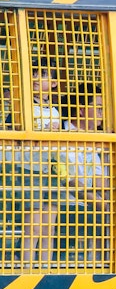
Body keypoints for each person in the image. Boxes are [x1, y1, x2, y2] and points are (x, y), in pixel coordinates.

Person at [19, 60, 68, 266]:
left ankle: (46, 269)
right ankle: (27, 268)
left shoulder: (55, 110)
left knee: (50, 225)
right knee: (34, 225)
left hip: (50, 169)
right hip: (30, 169)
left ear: (55, 83)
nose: (37, 78)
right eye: (35, 72)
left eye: (44, 74)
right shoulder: (25, 105)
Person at [60, 85, 109, 263]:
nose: (101, 114)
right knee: (106, 210)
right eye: (98, 108)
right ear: (81, 110)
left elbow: (98, 179)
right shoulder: (61, 134)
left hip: (87, 201)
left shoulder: (91, 138)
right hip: (66, 202)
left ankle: (101, 263)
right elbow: (70, 181)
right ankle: (99, 264)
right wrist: (101, 202)